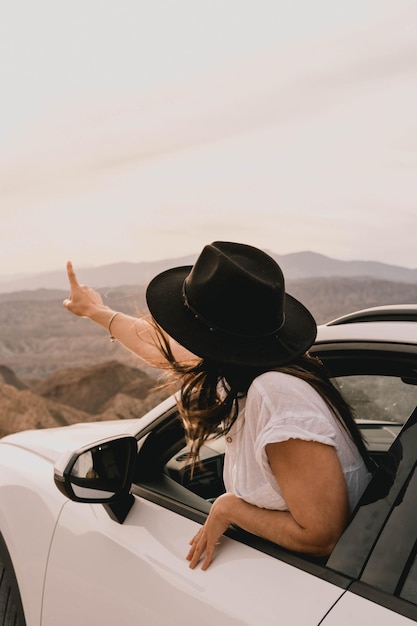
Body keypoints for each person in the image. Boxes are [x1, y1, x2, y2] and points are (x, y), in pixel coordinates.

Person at [63, 241, 373, 570]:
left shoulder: (274, 395)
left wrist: (229, 508)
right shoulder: (249, 371)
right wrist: (95, 311)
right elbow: (163, 349)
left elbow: (323, 536)